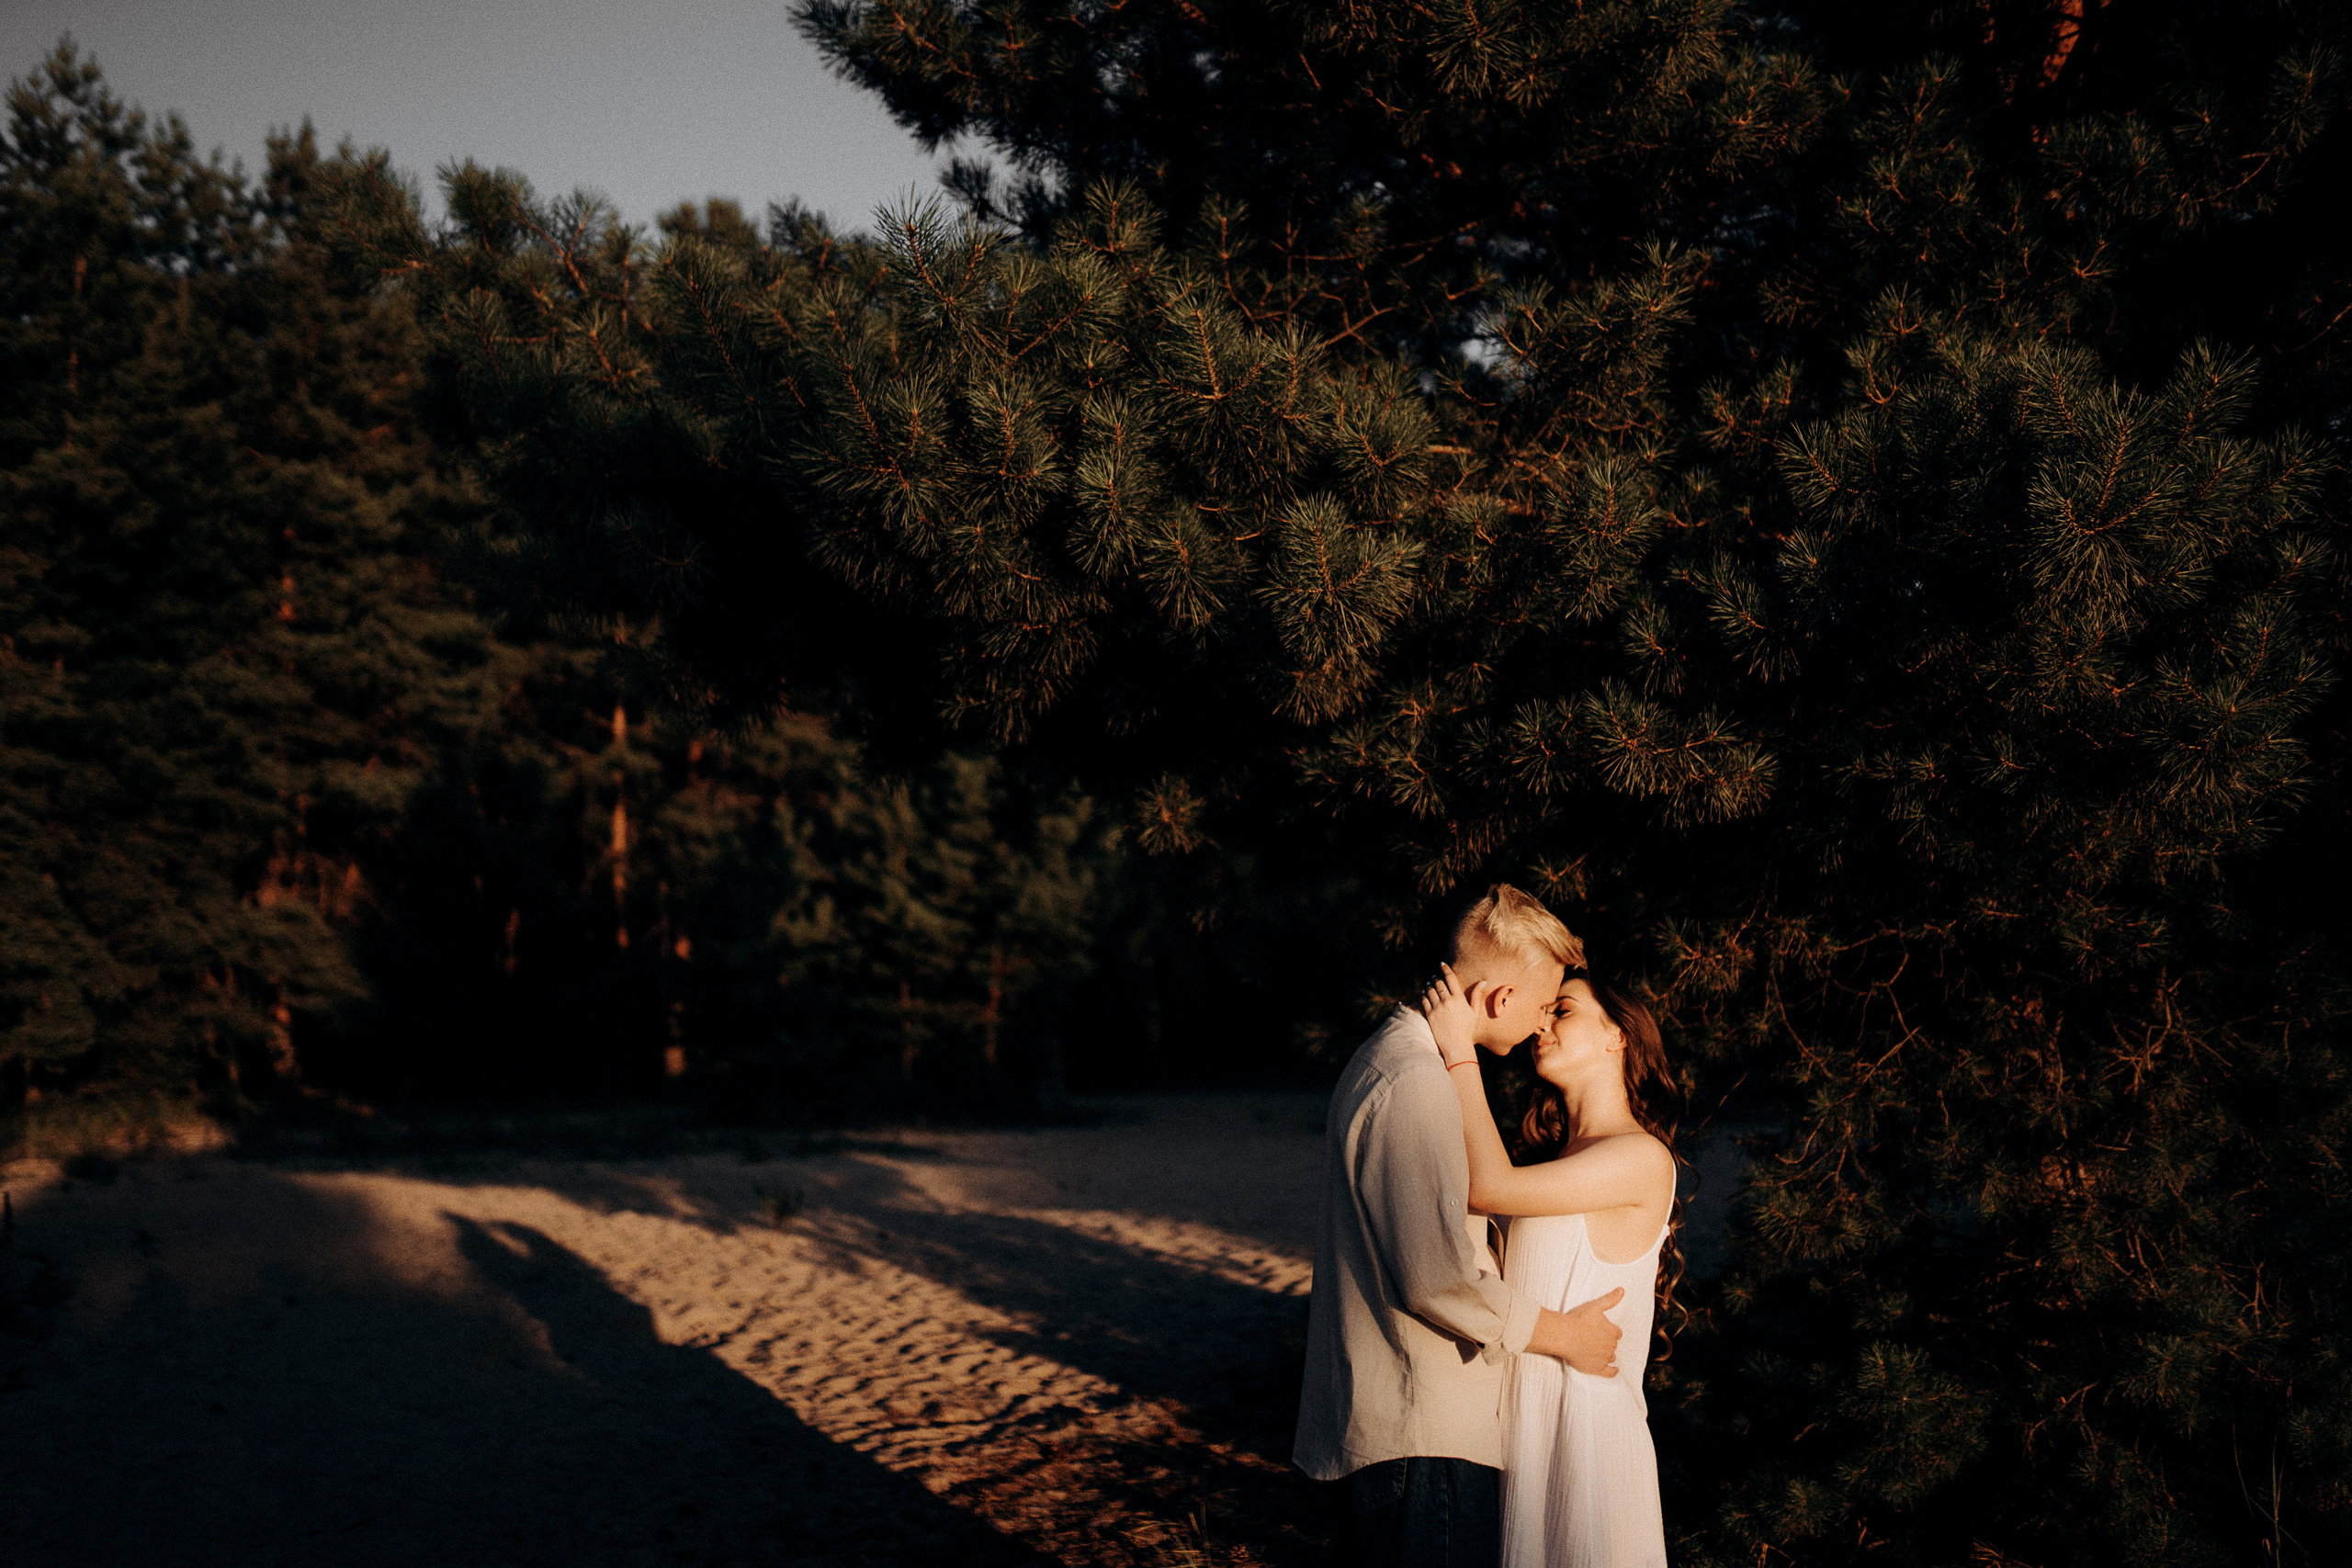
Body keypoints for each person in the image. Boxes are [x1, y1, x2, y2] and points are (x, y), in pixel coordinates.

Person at [1296, 886, 1627, 1568]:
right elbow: (1436, 1275)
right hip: (1425, 1435)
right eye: (1543, 1006)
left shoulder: (1392, 1060)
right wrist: (1567, 1335)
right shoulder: (1415, 1079)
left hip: (1411, 1430)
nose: (1542, 1025)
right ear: (1501, 999)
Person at [1419, 963, 1682, 1568]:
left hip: (1586, 1437)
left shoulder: (1642, 1156)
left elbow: (1485, 1186)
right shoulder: (1557, 1161)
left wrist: (1459, 1049)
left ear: (1620, 1034)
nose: (1543, 1022)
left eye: (1562, 1009)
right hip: (1525, 1425)